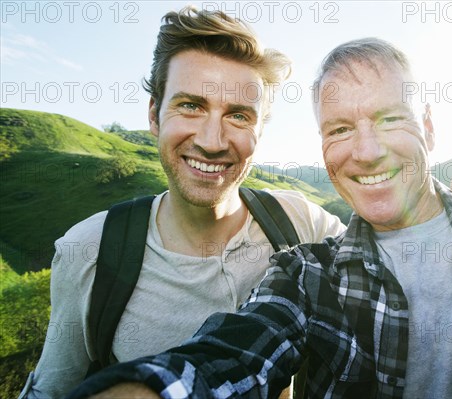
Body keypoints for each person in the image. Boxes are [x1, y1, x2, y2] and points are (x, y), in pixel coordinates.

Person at [67, 37, 452, 399]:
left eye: (389, 119)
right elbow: (235, 353)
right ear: (321, 145)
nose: (365, 153)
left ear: (429, 129)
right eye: (340, 129)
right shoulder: (306, 273)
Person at [19, 7, 347, 399]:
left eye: (239, 116)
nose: (212, 141)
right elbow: (52, 389)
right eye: (191, 105)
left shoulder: (301, 223)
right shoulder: (90, 250)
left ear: (260, 131)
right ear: (154, 116)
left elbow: (388, 265)